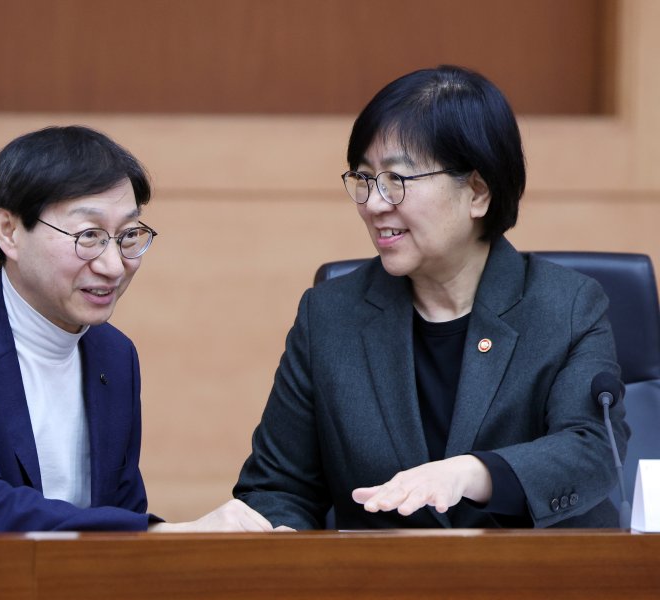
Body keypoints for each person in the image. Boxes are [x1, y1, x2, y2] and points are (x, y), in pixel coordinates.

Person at [233, 65, 629, 529]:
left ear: (477, 192)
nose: (374, 203)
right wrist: (278, 535)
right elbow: (277, 488)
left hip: (533, 570)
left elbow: (592, 449)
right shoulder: (329, 316)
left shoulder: (567, 305)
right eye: (364, 179)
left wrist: (472, 473)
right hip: (379, 573)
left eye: (396, 180)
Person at [0, 125, 272, 533]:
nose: (113, 266)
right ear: (9, 231)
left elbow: (121, 511)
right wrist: (159, 534)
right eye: (89, 236)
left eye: (128, 235)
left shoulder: (114, 354)